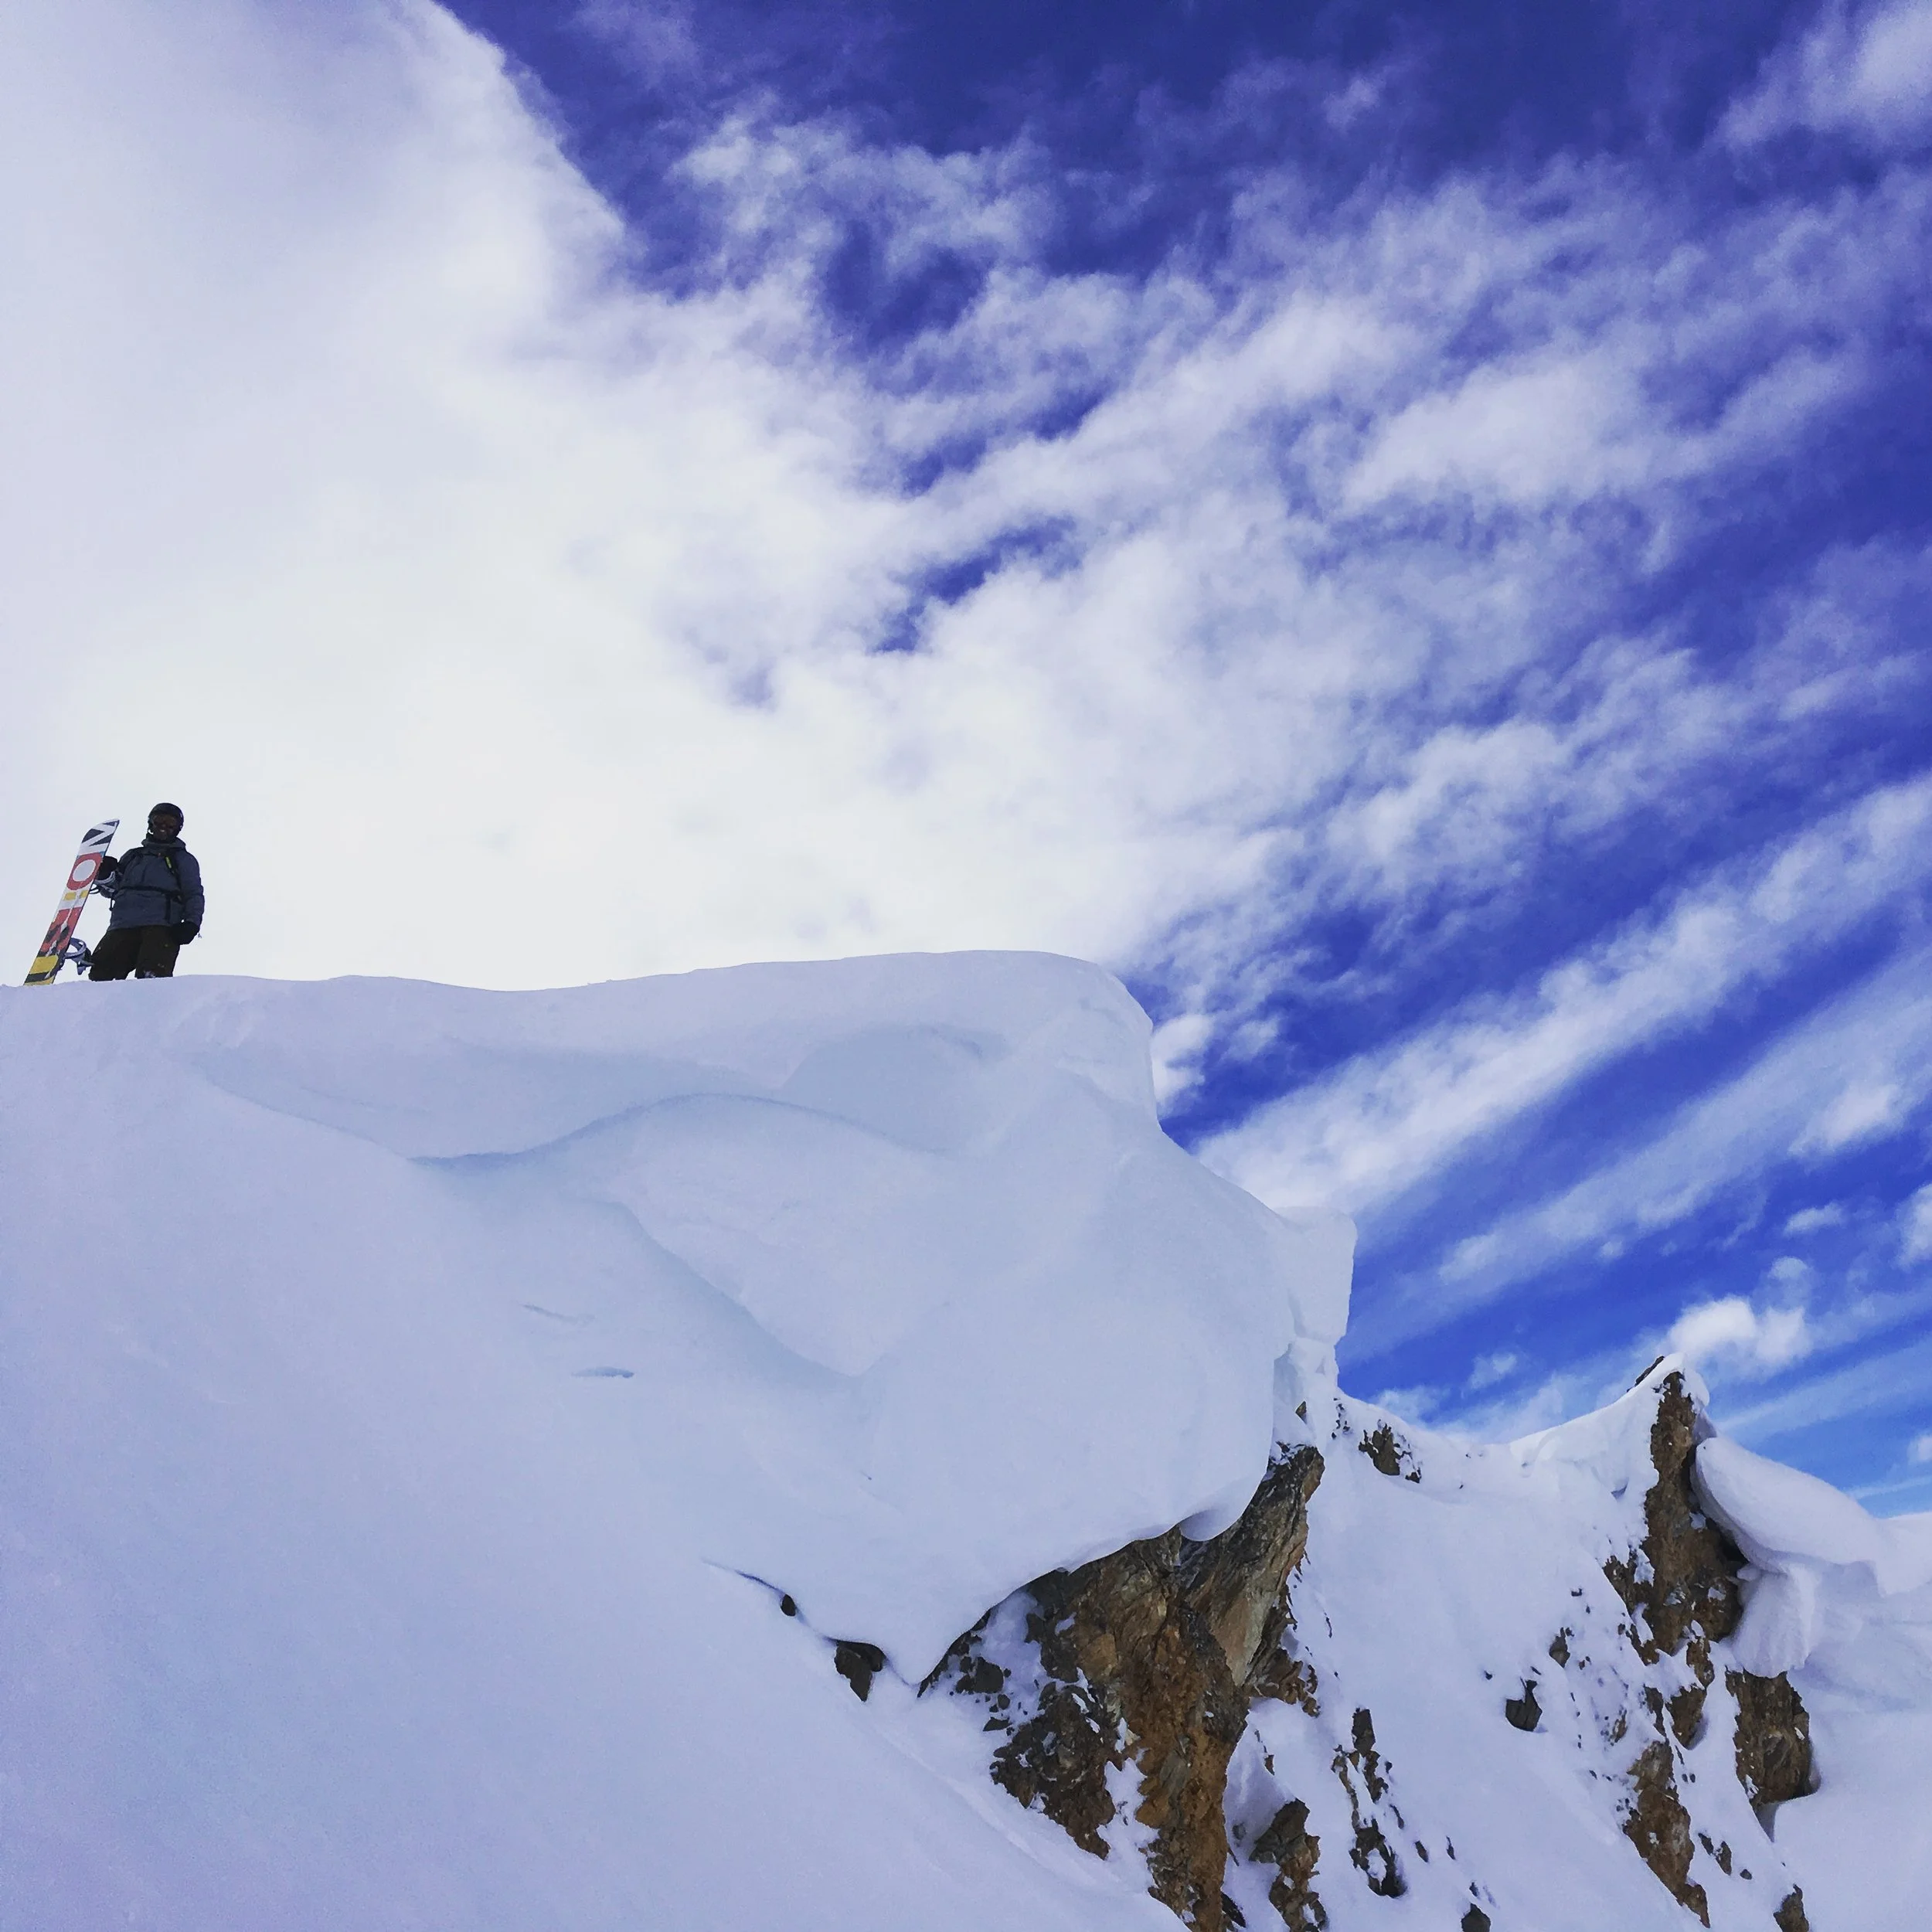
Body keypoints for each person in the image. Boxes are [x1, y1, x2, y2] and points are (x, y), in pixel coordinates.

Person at [89, 803, 204, 981]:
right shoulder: (133, 856)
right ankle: (99, 1007)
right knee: (101, 975)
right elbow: (115, 889)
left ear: (177, 829)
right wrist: (105, 875)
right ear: (150, 824)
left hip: (161, 926)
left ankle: (148, 1008)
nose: (164, 827)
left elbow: (193, 893)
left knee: (151, 977)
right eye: (159, 821)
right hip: (122, 924)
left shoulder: (182, 859)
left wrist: (191, 923)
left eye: (170, 824)